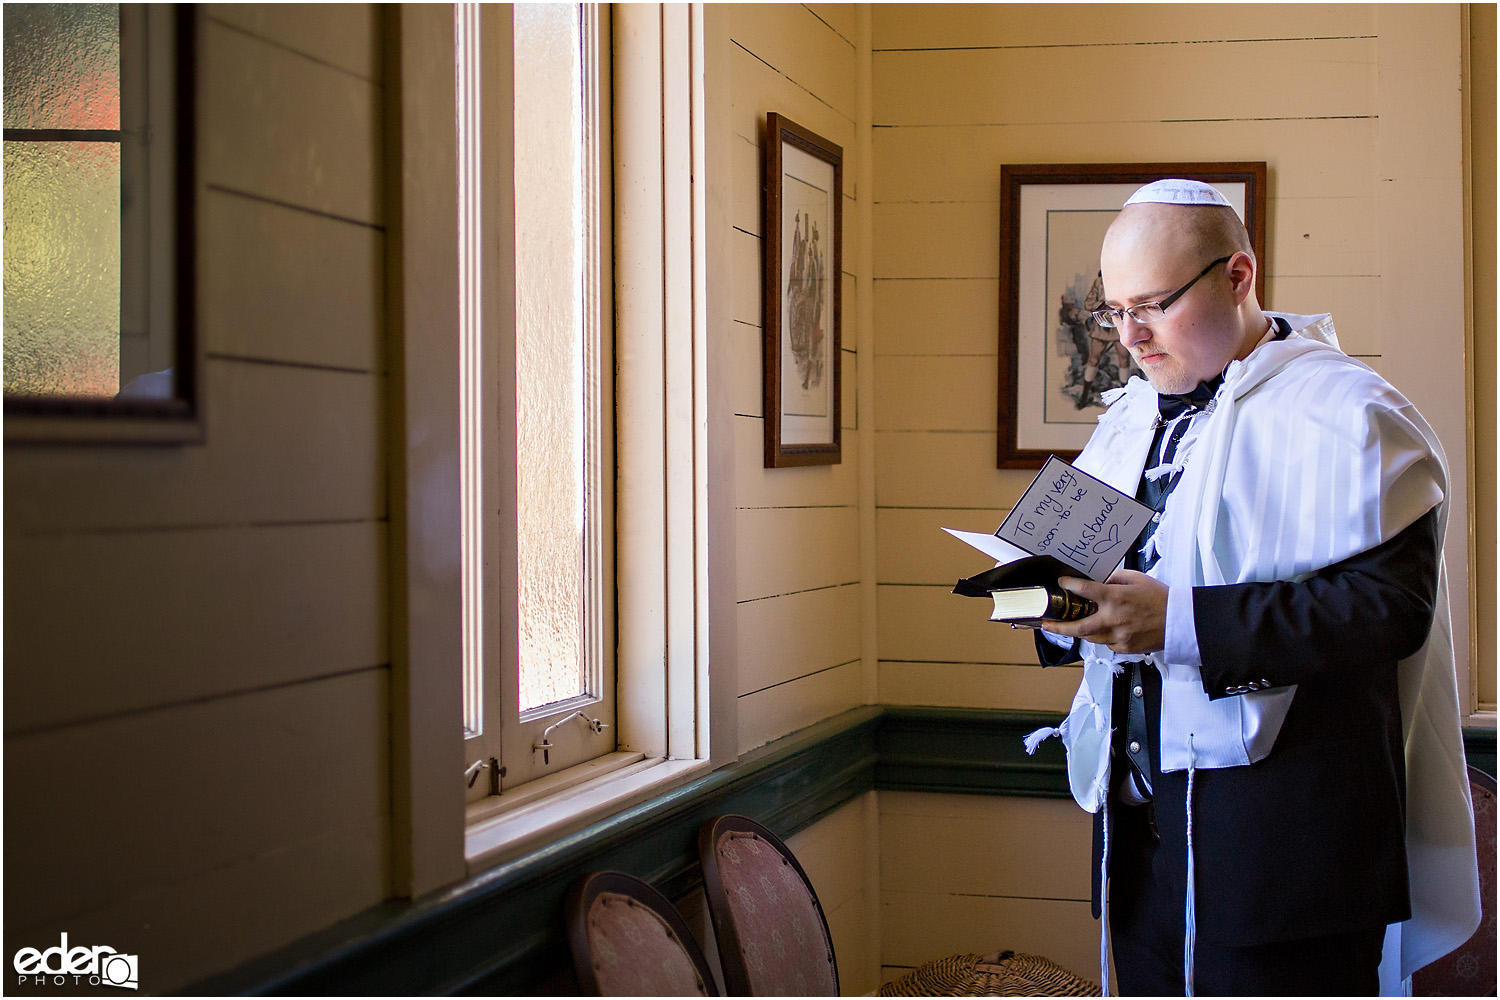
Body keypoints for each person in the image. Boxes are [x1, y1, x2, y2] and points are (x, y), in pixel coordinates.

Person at [1024, 179, 1480, 996]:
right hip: (1139, 841)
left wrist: (1179, 625)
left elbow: (1389, 610)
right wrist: (1053, 609)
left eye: (1154, 304)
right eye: (1113, 311)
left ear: (1239, 275)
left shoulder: (1354, 411)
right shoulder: (1125, 421)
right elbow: (1067, 577)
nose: (1128, 336)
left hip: (1290, 862)